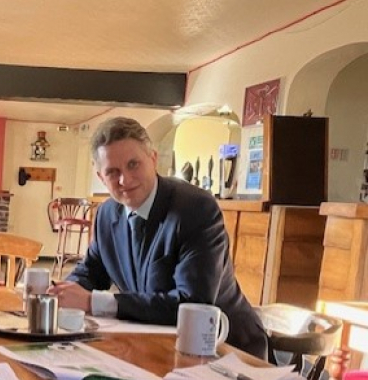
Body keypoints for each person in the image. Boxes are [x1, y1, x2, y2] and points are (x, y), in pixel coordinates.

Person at [50, 116, 268, 358]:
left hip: (226, 352)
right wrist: (56, 294)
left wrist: (94, 302)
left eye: (133, 165)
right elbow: (92, 271)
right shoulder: (106, 214)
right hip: (153, 347)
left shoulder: (195, 209)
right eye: (113, 172)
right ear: (101, 177)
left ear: (153, 159)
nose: (125, 180)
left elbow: (192, 303)